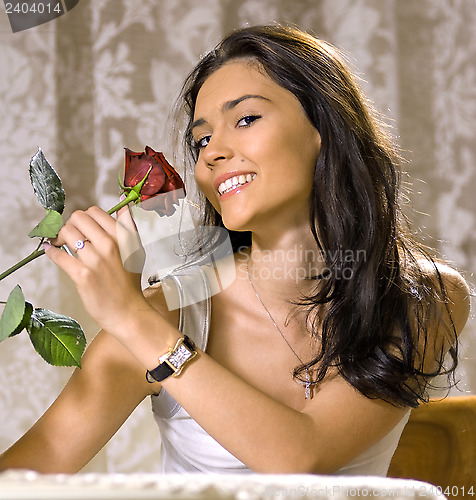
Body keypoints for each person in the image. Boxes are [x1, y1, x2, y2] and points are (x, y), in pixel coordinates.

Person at [0, 24, 470, 476]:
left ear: (324, 126)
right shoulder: (167, 316)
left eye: (245, 119)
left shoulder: (420, 296)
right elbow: (17, 479)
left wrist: (129, 317)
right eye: (202, 139)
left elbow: (302, 456)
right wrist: (135, 319)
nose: (211, 153)